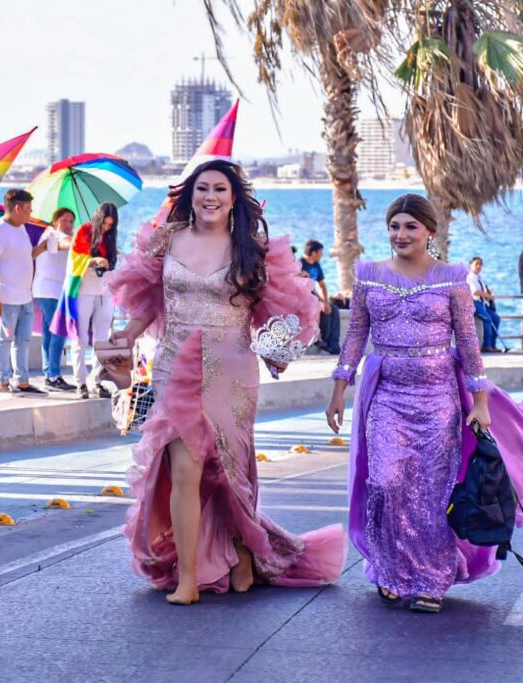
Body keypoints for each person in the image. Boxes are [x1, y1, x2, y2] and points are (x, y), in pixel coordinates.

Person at [107, 159, 346, 605]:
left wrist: (281, 346)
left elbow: (284, 309)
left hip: (232, 369)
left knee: (230, 469)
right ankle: (189, 578)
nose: (210, 196)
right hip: (174, 365)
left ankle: (242, 554)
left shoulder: (251, 250)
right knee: (184, 469)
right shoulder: (166, 240)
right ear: (190, 195)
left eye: (220, 188)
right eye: (202, 188)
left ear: (234, 197)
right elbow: (146, 302)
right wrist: (126, 336)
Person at [326, 194, 523, 613]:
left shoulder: (452, 278)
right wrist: (338, 388)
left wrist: (480, 402)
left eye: (409, 226)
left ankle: (430, 579)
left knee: (429, 491)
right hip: (386, 396)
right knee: (386, 484)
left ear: (429, 232)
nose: (400, 234)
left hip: (439, 400)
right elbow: (355, 337)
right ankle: (389, 570)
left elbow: (468, 341)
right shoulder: (368, 275)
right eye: (393, 226)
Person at [0, 189, 46, 395]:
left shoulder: (21, 229)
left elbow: (26, 256)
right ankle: (2, 381)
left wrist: (43, 247)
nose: (30, 213)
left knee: (23, 340)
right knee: (3, 339)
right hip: (5, 296)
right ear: (17, 208)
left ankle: (23, 381)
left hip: (25, 296)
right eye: (28, 209)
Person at [58, 203, 120, 400]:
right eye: (104, 223)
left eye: (110, 225)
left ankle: (98, 380)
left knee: (102, 340)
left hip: (103, 292)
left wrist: (109, 260)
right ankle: (81, 382)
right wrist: (94, 261)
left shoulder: (110, 236)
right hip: (83, 290)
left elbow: (113, 263)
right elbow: (75, 258)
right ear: (98, 218)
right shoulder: (84, 230)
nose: (106, 228)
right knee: (80, 337)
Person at [31, 208, 75, 392]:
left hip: (52, 290)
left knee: (49, 334)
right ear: (55, 221)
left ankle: (50, 374)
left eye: (72, 221)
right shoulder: (52, 234)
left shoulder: (57, 235)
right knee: (59, 332)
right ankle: (53, 375)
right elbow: (66, 244)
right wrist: (82, 240)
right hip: (49, 291)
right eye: (65, 220)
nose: (69, 224)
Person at [300, 240, 341, 354]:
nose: (322, 255)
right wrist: (322, 302)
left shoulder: (316, 265)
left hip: (314, 296)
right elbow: (305, 289)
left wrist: (326, 301)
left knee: (334, 309)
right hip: (303, 298)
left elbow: (322, 285)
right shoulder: (300, 264)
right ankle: (323, 340)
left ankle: (333, 342)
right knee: (322, 308)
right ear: (314, 253)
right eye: (320, 252)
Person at [466, 256, 501, 353]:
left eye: (480, 264)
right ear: (471, 265)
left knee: (496, 318)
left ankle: (493, 344)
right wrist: (487, 295)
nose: (479, 266)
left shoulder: (479, 278)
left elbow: (483, 290)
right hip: (474, 302)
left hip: (483, 303)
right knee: (487, 319)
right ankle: (487, 345)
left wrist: (488, 293)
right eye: (476, 264)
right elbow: (475, 292)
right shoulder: (470, 277)